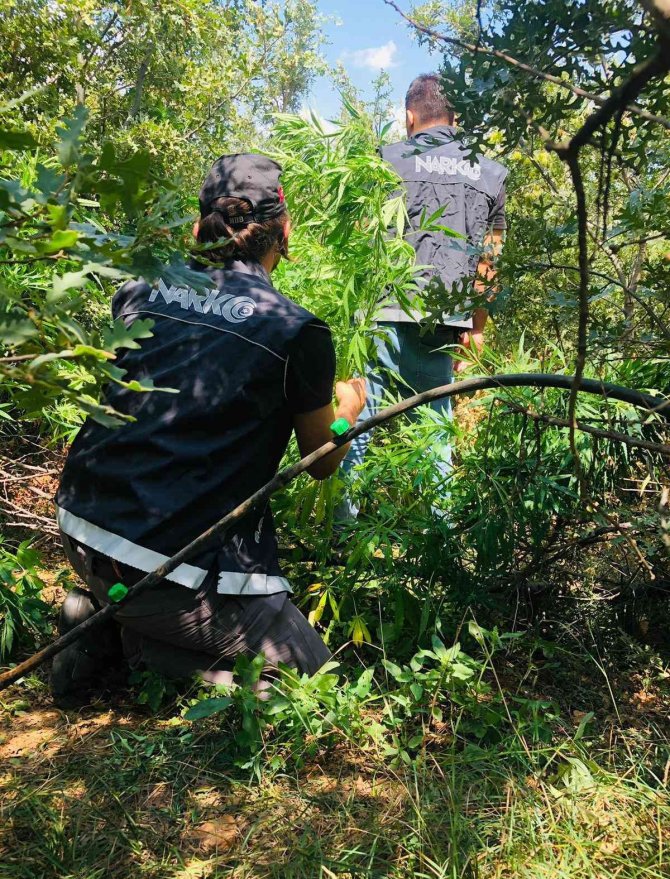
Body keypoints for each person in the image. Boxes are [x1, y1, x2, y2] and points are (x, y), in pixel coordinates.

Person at [52, 153, 366, 698]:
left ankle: (105, 611)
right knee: (309, 688)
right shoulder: (295, 331)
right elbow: (323, 460)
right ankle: (134, 649)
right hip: (163, 570)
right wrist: (350, 410)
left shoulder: (137, 291)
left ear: (198, 228)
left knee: (143, 585)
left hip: (79, 529)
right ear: (284, 232)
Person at [337, 73, 508, 522]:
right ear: (456, 116)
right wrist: (477, 330)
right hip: (445, 319)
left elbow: (357, 244)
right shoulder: (490, 175)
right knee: (434, 434)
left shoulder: (385, 161)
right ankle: (442, 545)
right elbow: (489, 263)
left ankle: (340, 533)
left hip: (382, 317)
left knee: (359, 420)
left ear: (409, 117)